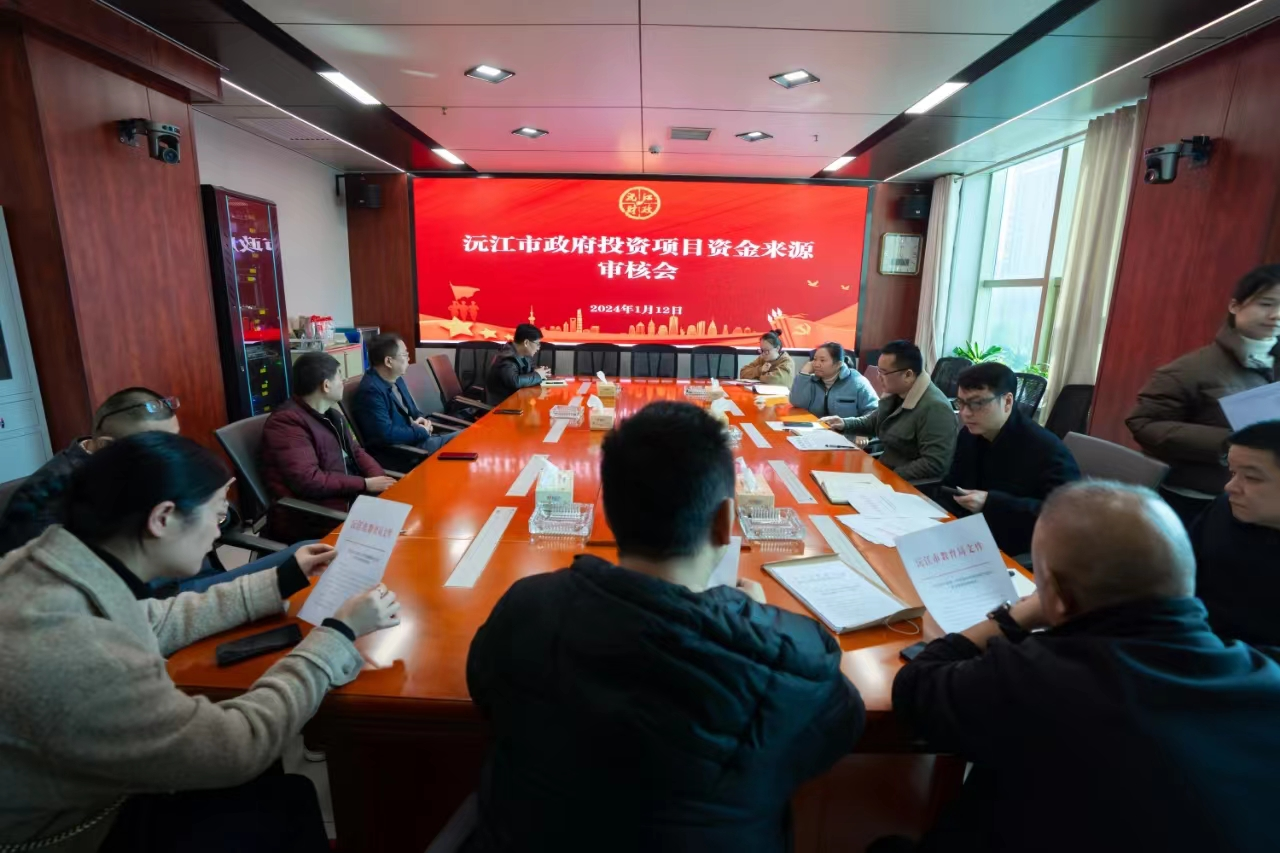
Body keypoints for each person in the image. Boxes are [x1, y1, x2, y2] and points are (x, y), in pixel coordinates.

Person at [465, 401, 864, 852]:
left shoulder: (526, 608)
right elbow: (841, 729)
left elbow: (484, 689)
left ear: (608, 513)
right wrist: (755, 623)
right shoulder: (793, 655)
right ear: (725, 522)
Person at [0, 431, 402, 853]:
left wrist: (281, 579)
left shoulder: (50, 564)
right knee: (286, 799)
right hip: (79, 832)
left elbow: (153, 619)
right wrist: (336, 637)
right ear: (163, 518)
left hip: (78, 787)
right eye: (216, 514)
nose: (218, 531)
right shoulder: (80, 653)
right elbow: (238, 745)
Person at [889, 481, 1280, 853]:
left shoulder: (1037, 677)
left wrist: (1014, 616)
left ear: (1057, 598)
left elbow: (915, 686)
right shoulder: (1266, 673)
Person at [0, 388, 304, 597]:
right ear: (106, 446)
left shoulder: (138, 468)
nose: (173, 453)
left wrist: (217, 512)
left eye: (175, 439)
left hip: (191, 581)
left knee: (310, 557)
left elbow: (217, 520)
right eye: (157, 444)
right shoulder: (47, 508)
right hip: (164, 598)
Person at [1127, 264, 1279, 511]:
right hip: (1202, 497)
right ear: (1235, 306)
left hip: (1267, 501)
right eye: (1266, 304)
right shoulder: (1188, 370)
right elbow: (1143, 424)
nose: (1276, 315)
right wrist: (1228, 441)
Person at [938, 362, 1080, 556]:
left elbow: (1066, 516)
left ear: (1007, 402)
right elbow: (953, 483)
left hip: (1014, 549)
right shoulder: (970, 435)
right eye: (961, 403)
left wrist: (991, 503)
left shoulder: (1046, 449)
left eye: (977, 403)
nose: (965, 413)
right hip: (967, 537)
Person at [260, 352, 393, 544]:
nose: (344, 381)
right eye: (340, 375)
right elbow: (309, 480)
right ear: (326, 385)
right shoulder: (286, 423)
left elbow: (356, 452)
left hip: (348, 500)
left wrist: (380, 482)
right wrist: (365, 484)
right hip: (314, 516)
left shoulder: (332, 416)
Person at [1190, 420, 1280, 650]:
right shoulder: (1223, 510)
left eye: (1252, 478)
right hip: (1197, 641)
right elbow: (1181, 577)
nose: (1230, 487)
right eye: (1232, 472)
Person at [822, 340, 957, 481]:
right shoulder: (896, 392)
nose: (878, 377)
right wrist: (843, 423)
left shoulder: (935, 408)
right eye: (878, 371)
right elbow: (873, 422)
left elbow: (934, 464)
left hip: (903, 484)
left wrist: (888, 477)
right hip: (882, 472)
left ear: (908, 375)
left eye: (884, 373)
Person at [351, 333, 455, 468]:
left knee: (467, 437)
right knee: (466, 440)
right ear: (389, 362)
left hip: (416, 440)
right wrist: (420, 432)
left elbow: (413, 412)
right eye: (405, 355)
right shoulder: (371, 391)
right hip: (405, 453)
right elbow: (385, 435)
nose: (409, 358)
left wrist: (422, 420)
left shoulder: (396, 378)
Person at [788, 341, 877, 418]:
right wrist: (804, 373)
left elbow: (874, 411)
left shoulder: (857, 382)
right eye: (814, 359)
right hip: (817, 429)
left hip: (847, 430)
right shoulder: (811, 380)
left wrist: (855, 428)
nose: (816, 364)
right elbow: (797, 403)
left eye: (822, 360)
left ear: (838, 364)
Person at [484, 324, 551, 404]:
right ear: (526, 343)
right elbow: (515, 381)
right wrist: (538, 375)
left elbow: (530, 370)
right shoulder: (507, 358)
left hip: (517, 401)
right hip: (502, 406)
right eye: (537, 344)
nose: (538, 347)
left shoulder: (524, 355)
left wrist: (540, 371)